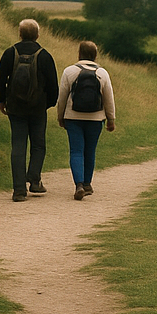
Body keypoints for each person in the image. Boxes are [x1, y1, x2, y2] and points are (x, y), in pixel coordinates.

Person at [0, 18, 59, 201]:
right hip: (38, 108)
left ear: (20, 34)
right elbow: (53, 85)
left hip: (15, 108)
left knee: (18, 146)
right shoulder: (44, 55)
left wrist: (2, 100)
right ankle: (35, 179)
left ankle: (19, 190)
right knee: (38, 145)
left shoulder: (10, 53)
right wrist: (48, 103)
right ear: (38, 35)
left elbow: (0, 79)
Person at [56, 40, 117, 200]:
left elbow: (62, 97)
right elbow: (108, 98)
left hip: (73, 117)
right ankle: (88, 184)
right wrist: (111, 119)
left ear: (79, 54)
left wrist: (60, 116)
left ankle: (79, 185)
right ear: (95, 55)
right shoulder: (102, 73)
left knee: (76, 151)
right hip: (96, 119)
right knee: (90, 151)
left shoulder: (69, 71)